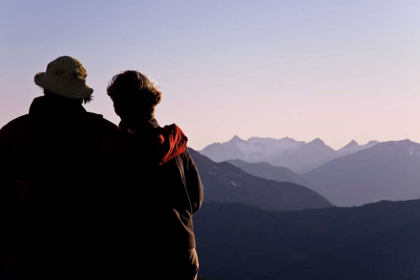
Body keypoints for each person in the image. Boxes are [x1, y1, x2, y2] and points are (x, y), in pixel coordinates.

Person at [0, 56, 188, 279]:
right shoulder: (95, 131)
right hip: (80, 253)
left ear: (46, 89)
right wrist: (175, 134)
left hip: (22, 252)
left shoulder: (13, 132)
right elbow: (148, 152)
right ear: (80, 95)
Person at [106, 70, 204, 280]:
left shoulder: (115, 147)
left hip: (136, 252)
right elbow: (195, 199)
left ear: (118, 107)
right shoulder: (176, 146)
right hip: (181, 247)